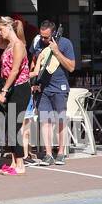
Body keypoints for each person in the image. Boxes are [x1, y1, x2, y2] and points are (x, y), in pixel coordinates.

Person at [29, 20, 75, 166]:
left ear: (54, 34)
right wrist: (33, 82)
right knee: (45, 121)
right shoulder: (37, 43)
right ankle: (48, 154)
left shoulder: (66, 44)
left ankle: (61, 152)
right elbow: (34, 62)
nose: (43, 39)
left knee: (60, 120)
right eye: (41, 36)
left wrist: (56, 52)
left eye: (46, 37)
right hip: (42, 88)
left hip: (59, 87)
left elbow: (71, 67)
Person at [0, 15, 30, 175]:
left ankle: (20, 164)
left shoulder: (18, 45)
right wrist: (1, 29)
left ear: (9, 28)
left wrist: (4, 90)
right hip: (11, 87)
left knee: (14, 126)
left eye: (1, 30)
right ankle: (15, 162)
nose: (0, 33)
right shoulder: (9, 44)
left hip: (19, 88)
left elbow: (15, 70)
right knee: (9, 126)